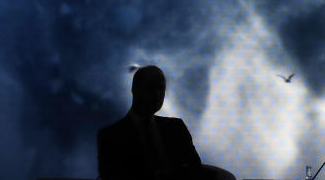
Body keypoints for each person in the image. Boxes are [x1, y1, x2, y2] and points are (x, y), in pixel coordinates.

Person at [97, 65, 236, 180]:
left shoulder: (176, 128)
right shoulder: (111, 137)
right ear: (134, 89)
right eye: (150, 87)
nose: (157, 94)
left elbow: (195, 169)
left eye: (161, 88)